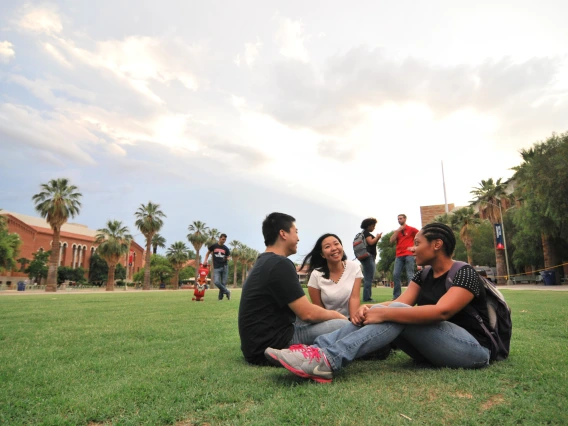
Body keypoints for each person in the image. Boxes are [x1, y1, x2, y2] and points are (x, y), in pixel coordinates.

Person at [265, 223, 492, 383]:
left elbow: (442, 311)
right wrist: (370, 308)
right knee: (393, 310)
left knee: (394, 312)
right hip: (436, 349)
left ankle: (328, 359)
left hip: (473, 350)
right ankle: (315, 352)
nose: (411, 249)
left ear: (437, 245)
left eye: (417, 243)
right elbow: (400, 301)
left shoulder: (464, 272)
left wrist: (383, 312)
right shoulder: (423, 275)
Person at [238, 213, 350, 365]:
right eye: (296, 232)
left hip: (255, 347)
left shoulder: (264, 261)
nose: (298, 238)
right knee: (344, 325)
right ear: (283, 234)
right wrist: (337, 315)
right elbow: (307, 313)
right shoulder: (279, 264)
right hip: (272, 346)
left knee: (328, 321)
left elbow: (299, 311)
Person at [302, 233, 364, 322]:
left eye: (336, 244)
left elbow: (354, 298)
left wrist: (353, 323)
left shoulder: (354, 267)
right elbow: (319, 308)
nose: (334, 248)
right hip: (328, 321)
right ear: (322, 255)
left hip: (349, 319)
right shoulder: (316, 275)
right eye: (327, 246)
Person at [389, 214, 419, 299]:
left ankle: (410, 296)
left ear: (405, 219)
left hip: (409, 254)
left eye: (401, 219)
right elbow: (391, 241)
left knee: (410, 274)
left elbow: (421, 236)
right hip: (399, 255)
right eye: (398, 219)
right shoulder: (397, 231)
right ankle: (396, 296)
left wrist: (415, 247)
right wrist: (397, 231)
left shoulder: (411, 229)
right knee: (395, 274)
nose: (399, 220)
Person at [359, 218, 382, 302]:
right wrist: (378, 237)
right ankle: (367, 298)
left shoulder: (362, 233)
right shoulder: (366, 233)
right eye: (373, 226)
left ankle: (367, 297)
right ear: (368, 226)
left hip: (364, 257)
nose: (374, 227)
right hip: (368, 257)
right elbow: (371, 242)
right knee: (369, 278)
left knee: (367, 277)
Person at [203, 233, 231, 301]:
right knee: (216, 282)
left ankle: (220, 298)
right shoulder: (214, 246)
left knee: (223, 283)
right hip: (216, 267)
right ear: (219, 238)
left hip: (224, 267)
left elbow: (228, 257)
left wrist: (227, 258)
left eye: (225, 240)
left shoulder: (226, 248)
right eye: (223, 239)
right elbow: (207, 253)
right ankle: (227, 292)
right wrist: (205, 260)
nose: (224, 241)